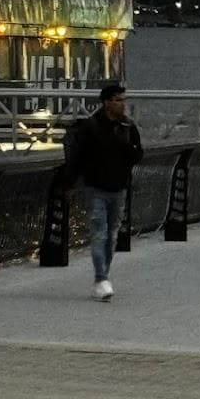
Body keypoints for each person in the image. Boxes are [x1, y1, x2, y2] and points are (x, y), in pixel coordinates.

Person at [64, 81, 143, 301]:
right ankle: (101, 278)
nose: (122, 105)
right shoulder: (91, 127)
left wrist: (126, 144)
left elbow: (138, 156)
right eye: (118, 100)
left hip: (118, 187)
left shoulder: (128, 126)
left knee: (111, 235)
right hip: (95, 187)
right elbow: (77, 157)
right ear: (106, 102)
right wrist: (70, 183)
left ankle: (103, 275)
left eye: (123, 100)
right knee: (99, 231)